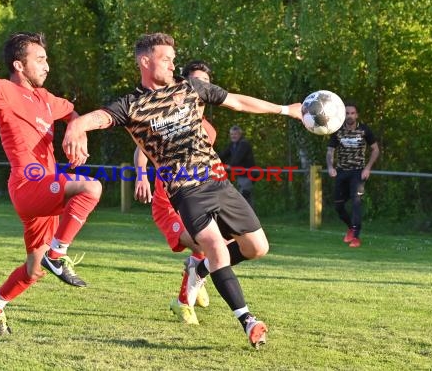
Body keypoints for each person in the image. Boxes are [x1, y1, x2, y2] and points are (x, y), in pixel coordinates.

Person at [63, 32, 302, 348]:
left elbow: (238, 101)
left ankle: (198, 270)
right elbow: (94, 118)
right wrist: (75, 127)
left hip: (218, 182)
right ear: (145, 61)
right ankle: (248, 321)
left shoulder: (192, 88)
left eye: (174, 59)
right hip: (186, 192)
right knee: (216, 247)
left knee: (257, 248)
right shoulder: (131, 105)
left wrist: (286, 109)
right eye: (166, 59)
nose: (172, 64)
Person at [0, 32, 102, 335]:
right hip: (28, 185)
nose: (47, 66)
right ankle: (59, 253)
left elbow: (72, 113)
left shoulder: (45, 99)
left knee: (33, 270)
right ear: (19, 65)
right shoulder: (6, 90)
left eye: (47, 60)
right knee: (91, 187)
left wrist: (77, 132)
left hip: (46, 191)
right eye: (40, 60)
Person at [134, 60, 225, 325]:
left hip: (197, 201)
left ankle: (193, 282)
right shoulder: (167, 116)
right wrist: (142, 176)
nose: (199, 86)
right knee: (206, 247)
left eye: (204, 83)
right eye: (194, 81)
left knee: (216, 246)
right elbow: (141, 148)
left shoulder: (208, 129)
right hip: (168, 204)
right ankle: (184, 299)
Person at [326, 101, 379, 248]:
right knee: (338, 206)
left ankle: (356, 237)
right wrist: (330, 167)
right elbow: (330, 151)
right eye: (347, 113)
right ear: (343, 115)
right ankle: (350, 227)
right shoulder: (337, 130)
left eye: (352, 113)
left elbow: (375, 149)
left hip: (358, 172)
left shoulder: (364, 130)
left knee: (356, 202)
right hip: (341, 172)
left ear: (357, 115)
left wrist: (367, 168)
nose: (349, 116)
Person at [219, 125, 256, 207]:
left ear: (240, 134)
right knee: (245, 197)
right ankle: (250, 217)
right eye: (231, 134)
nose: (233, 136)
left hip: (247, 174)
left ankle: (247, 216)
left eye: (235, 134)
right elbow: (223, 154)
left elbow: (237, 158)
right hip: (240, 174)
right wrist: (214, 160)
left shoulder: (244, 144)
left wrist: (230, 166)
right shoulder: (232, 144)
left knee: (243, 196)